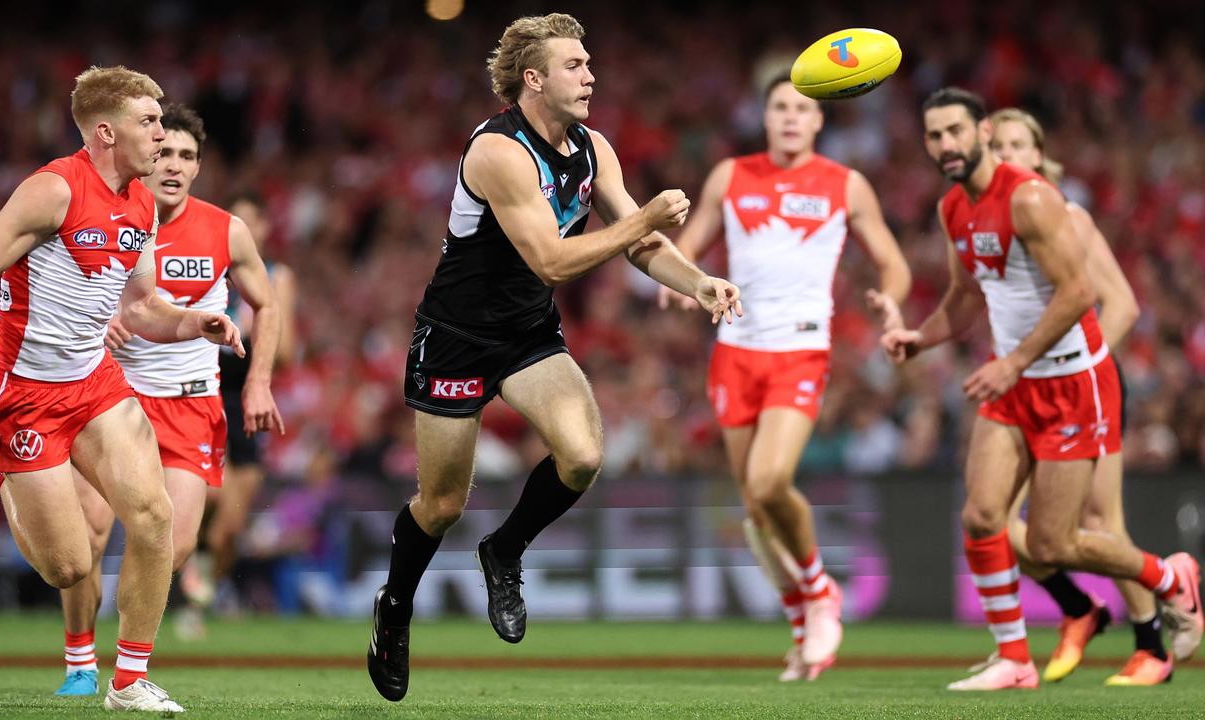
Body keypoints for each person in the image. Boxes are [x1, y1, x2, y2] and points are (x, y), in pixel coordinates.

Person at [366, 13, 742, 702]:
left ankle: (504, 550)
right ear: (533, 79)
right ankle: (395, 607)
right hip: (456, 335)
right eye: (576, 65)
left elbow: (638, 243)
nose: (591, 74)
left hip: (526, 333)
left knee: (583, 456)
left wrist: (699, 283)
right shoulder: (497, 152)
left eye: (590, 62)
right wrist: (644, 219)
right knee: (443, 503)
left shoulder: (592, 147)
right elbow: (553, 258)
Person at [0, 66, 244, 713]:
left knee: (154, 517)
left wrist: (191, 321)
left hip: (94, 383)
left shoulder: (143, 202)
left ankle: (128, 681)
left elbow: (143, 304)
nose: (162, 130)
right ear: (106, 131)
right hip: (23, 393)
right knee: (68, 567)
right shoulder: (53, 190)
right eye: (149, 121)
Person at [882, 86, 1202, 691]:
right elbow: (967, 297)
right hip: (1015, 382)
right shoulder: (954, 208)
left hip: (1070, 382)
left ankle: (1170, 578)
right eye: (934, 135)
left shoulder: (1030, 198)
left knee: (1057, 540)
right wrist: (920, 338)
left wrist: (1016, 361)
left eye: (955, 131)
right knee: (981, 517)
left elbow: (1081, 293)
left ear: (981, 134)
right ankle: (1014, 659)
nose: (945, 144)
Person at [656, 75, 911, 681]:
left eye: (801, 109)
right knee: (754, 510)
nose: (791, 117)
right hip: (735, 351)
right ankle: (801, 620)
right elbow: (690, 245)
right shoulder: (729, 175)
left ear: (819, 121)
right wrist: (681, 286)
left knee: (771, 482)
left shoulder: (845, 185)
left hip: (799, 349)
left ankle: (821, 591)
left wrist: (892, 301)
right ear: (764, 117)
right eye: (779, 108)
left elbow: (893, 262)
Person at [48, 103, 284, 696]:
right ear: (146, 157)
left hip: (190, 403)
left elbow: (268, 302)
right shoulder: (110, 216)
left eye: (186, 156)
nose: (173, 165)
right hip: (111, 397)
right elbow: (61, 290)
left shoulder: (227, 229)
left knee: (172, 547)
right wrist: (96, 326)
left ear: (199, 166)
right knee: (89, 533)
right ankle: (82, 662)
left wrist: (257, 381)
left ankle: (127, 666)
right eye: (165, 153)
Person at [989, 107, 1172, 686]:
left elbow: (1122, 306)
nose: (1008, 154)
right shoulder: (985, 222)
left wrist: (1077, 363)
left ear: (1039, 156)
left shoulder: (1066, 216)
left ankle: (1152, 648)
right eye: (998, 145)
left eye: (1019, 144)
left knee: (1099, 517)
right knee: (989, 517)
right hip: (1024, 390)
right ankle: (1077, 607)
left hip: (1080, 386)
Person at [194, 190, 297, 611]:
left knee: (230, 526)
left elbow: (287, 352)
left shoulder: (276, 276)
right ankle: (187, 592)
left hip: (245, 401)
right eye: (234, 220)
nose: (243, 229)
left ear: (265, 228)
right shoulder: (205, 272)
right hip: (203, 396)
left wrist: (253, 331)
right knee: (206, 500)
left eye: (251, 221)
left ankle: (200, 596)